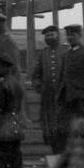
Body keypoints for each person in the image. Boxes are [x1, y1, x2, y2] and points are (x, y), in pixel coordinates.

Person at [55, 24, 84, 154]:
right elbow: (61, 76)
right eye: (68, 35)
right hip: (67, 98)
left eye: (72, 35)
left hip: (81, 98)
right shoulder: (66, 54)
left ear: (79, 35)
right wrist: (59, 93)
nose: (69, 38)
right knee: (65, 128)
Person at [30, 25, 66, 153]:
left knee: (64, 125)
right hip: (48, 97)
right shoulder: (43, 53)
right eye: (47, 35)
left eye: (52, 35)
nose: (49, 37)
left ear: (58, 36)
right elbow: (36, 74)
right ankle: (55, 150)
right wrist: (39, 86)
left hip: (64, 97)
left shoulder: (66, 51)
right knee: (50, 125)